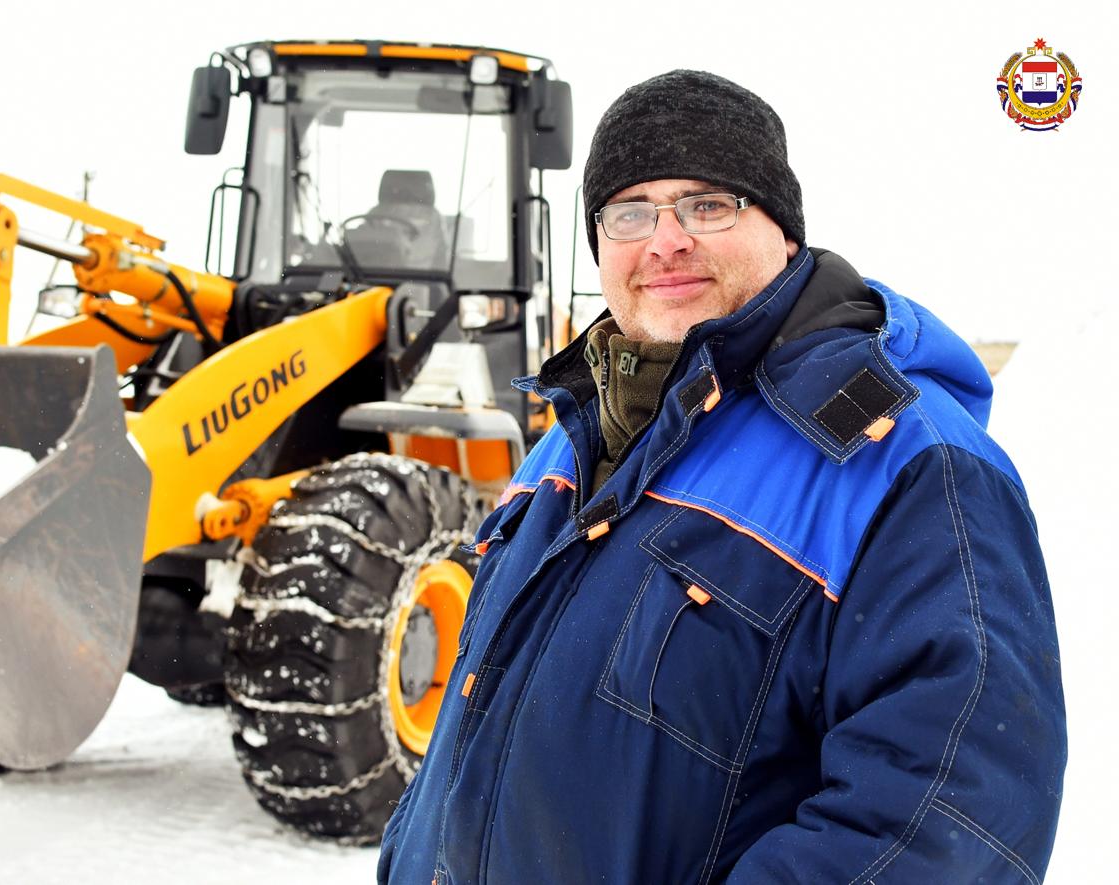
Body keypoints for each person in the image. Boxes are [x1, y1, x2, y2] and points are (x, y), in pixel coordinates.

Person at [378, 70, 1066, 883]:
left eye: (707, 205)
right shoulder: (562, 444)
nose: (664, 240)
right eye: (630, 212)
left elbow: (951, 818)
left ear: (781, 228)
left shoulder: (907, 464)